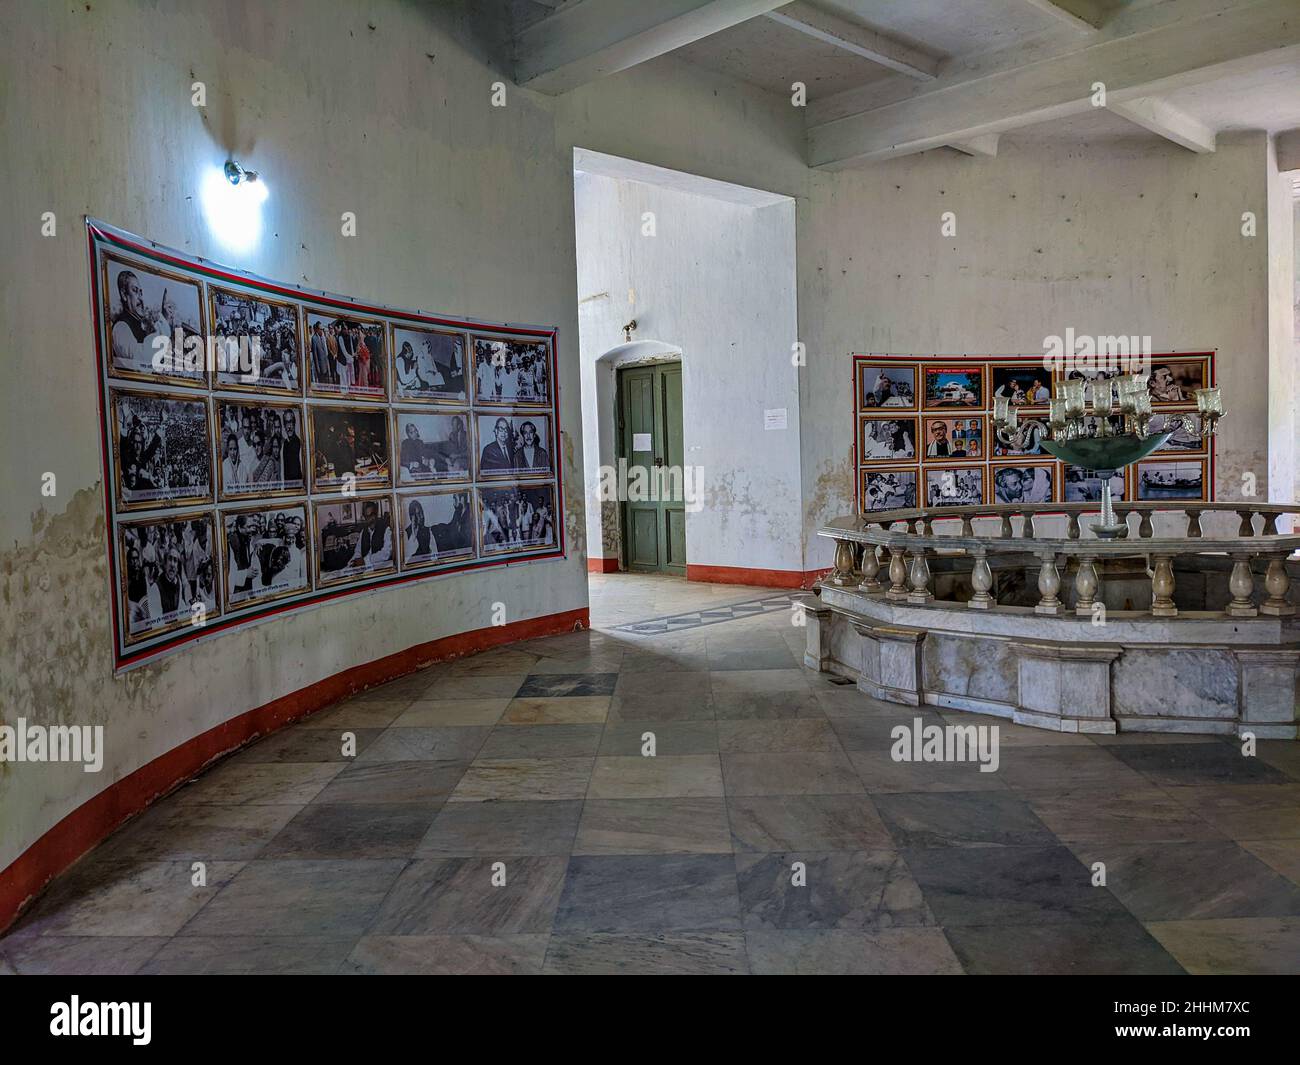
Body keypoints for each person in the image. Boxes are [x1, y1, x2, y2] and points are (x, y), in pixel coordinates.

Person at [111, 270, 171, 369]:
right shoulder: (121, 328)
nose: (141, 298)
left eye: (141, 292)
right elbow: (141, 361)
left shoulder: (141, 322)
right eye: (135, 291)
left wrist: (165, 319)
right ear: (124, 295)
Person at [349, 500, 392, 567]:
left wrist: (365, 561)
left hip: (381, 568)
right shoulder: (363, 532)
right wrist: (351, 563)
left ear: (376, 514)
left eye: (373, 515)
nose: (372, 519)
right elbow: (358, 552)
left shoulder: (386, 529)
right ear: (364, 517)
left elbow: (386, 553)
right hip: (365, 568)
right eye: (368, 516)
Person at [281, 410, 302, 483]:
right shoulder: (285, 444)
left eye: (291, 422)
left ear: (294, 423)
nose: (289, 426)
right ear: (284, 425)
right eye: (286, 423)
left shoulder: (300, 444)